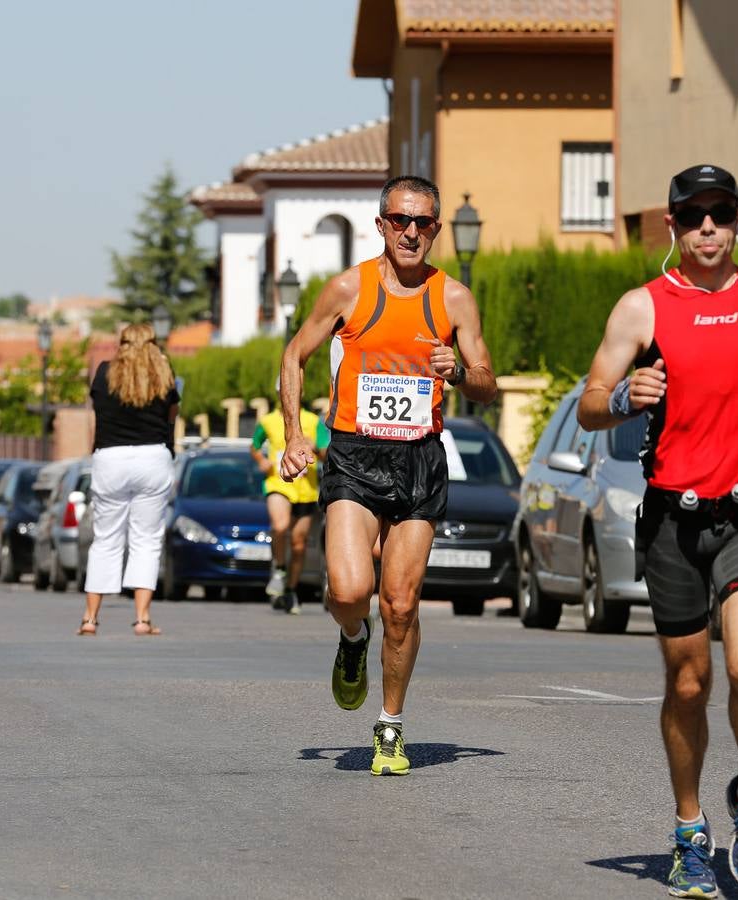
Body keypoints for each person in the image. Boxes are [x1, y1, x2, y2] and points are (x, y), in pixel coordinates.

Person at [577, 164, 738, 895]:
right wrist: (624, 394)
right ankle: (689, 830)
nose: (707, 227)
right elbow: (591, 401)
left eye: (720, 214)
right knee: (690, 684)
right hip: (671, 522)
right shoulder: (641, 310)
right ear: (673, 227)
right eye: (693, 216)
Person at [277, 174, 497, 776]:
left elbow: (487, 380)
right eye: (399, 220)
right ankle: (353, 638)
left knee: (400, 603)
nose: (410, 232)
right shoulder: (349, 288)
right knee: (350, 592)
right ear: (381, 225)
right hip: (353, 453)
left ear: (436, 231)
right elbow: (294, 355)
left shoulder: (454, 299)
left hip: (420, 459)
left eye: (423, 222)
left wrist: (459, 372)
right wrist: (297, 435)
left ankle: (390, 726)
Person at [80, 322, 180, 637]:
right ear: (153, 343)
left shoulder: (104, 372)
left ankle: (90, 618)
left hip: (111, 459)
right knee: (146, 541)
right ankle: (142, 619)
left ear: (121, 343)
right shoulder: (163, 375)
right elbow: (172, 416)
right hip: (152, 458)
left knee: (106, 539)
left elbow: (97, 413)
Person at [251, 383, 329, 614]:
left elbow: (326, 453)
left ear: (301, 393)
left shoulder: (314, 422)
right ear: (278, 394)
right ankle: (279, 569)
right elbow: (254, 446)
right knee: (280, 525)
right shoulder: (268, 421)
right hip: (278, 483)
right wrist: (262, 461)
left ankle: (291, 591)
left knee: (298, 544)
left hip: (306, 488)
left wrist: (315, 447)